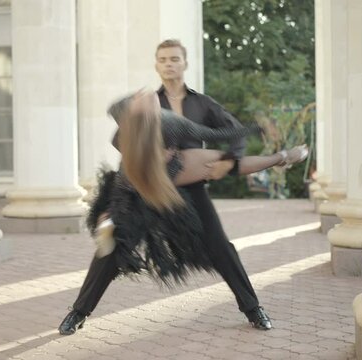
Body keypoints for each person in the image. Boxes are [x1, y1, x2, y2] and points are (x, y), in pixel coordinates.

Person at [58, 39, 307, 335]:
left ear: (184, 63)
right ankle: (79, 312)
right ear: (157, 64)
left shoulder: (202, 105)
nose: (169, 63)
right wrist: (129, 185)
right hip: (144, 187)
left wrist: (231, 161)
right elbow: (123, 144)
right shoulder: (145, 102)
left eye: (174, 58)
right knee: (111, 247)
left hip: (190, 183)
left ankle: (253, 308)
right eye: (163, 59)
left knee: (220, 247)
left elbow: (230, 133)